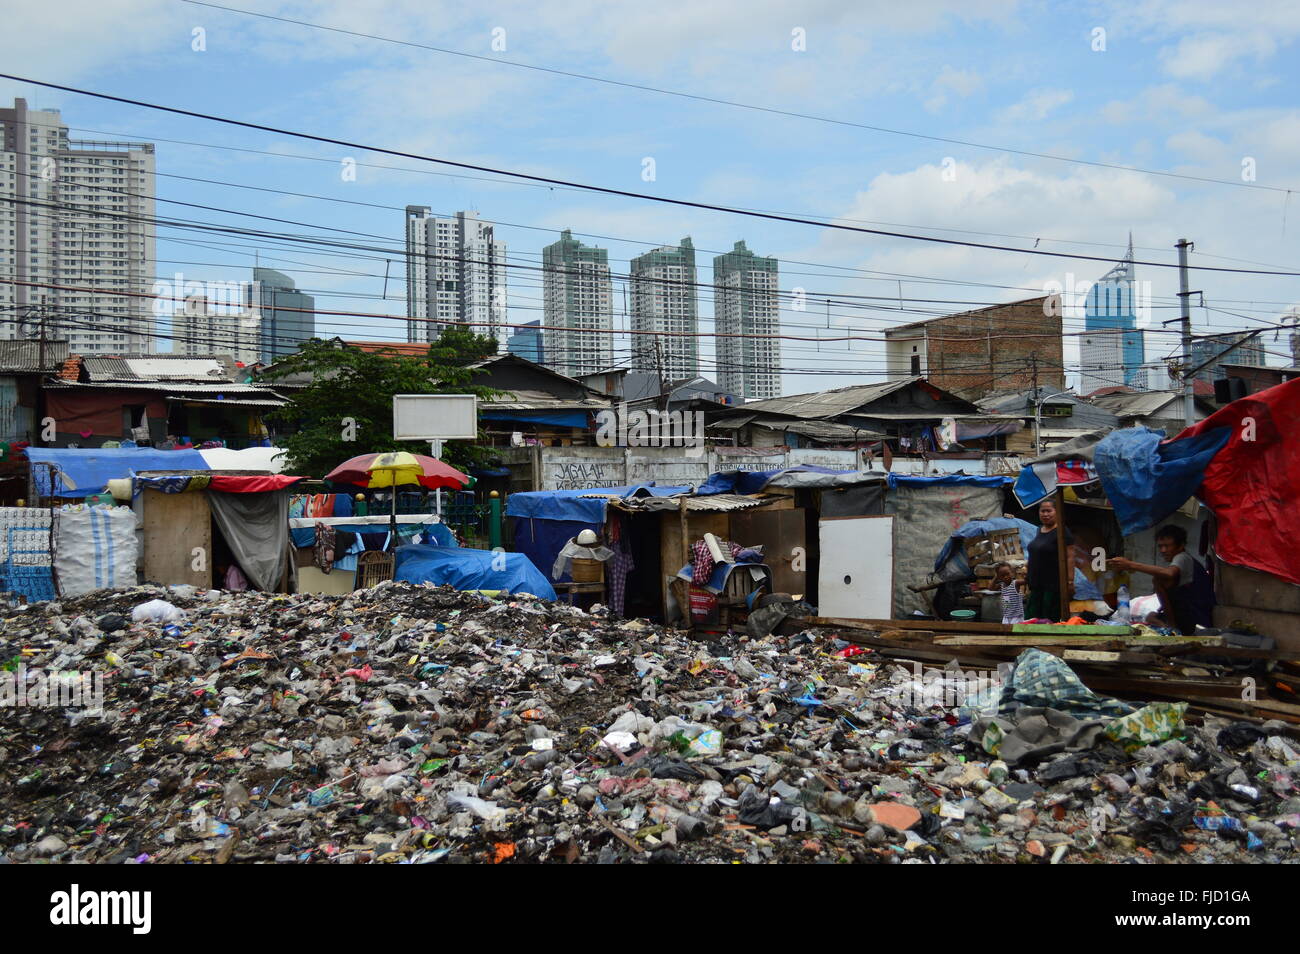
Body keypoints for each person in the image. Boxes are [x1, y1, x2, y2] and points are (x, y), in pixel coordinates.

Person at [1107, 525, 1214, 634]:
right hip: (1188, 615)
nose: (1163, 550)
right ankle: (1170, 628)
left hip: (1197, 617)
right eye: (1160, 546)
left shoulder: (1183, 557)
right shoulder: (1182, 560)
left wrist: (1130, 565)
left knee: (1159, 579)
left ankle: (1173, 628)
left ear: (1181, 545)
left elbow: (1169, 574)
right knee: (1151, 617)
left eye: (1167, 546)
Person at [1025, 499, 1074, 622]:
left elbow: (1070, 557)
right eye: (1043, 511)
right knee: (1031, 619)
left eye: (1049, 511)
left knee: (1048, 620)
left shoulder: (1062, 532)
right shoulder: (1039, 530)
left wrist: (1070, 581)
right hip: (1035, 584)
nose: (1045, 514)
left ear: (1057, 512)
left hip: (1052, 586)